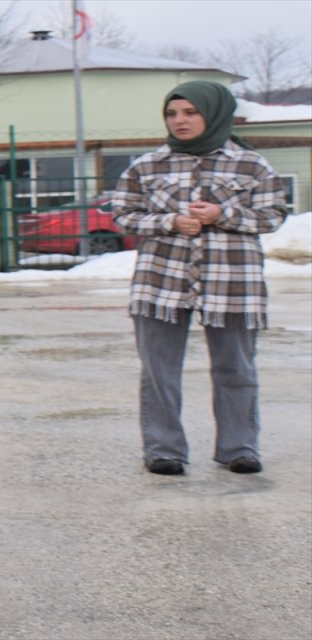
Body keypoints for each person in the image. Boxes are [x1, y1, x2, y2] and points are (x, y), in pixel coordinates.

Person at [111, 80, 287, 476]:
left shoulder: (251, 165)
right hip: (160, 283)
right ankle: (163, 449)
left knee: (236, 369)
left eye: (191, 112)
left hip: (233, 285)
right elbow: (123, 214)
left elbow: (273, 215)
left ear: (215, 113)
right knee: (159, 371)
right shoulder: (146, 165)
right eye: (172, 114)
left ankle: (238, 447)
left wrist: (221, 215)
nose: (180, 121)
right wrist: (169, 221)